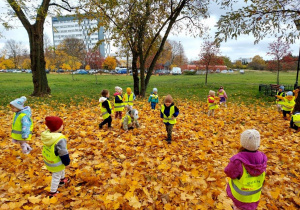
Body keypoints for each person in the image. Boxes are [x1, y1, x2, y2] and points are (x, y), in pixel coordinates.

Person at [224, 129, 267, 210]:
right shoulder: (263, 158)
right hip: (254, 196)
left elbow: (229, 172)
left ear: (243, 143)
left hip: (240, 197)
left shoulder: (238, 160)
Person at [42, 116, 70, 198]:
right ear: (58, 127)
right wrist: (67, 161)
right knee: (56, 176)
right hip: (56, 162)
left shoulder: (48, 135)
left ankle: (62, 180)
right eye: (61, 125)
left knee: (61, 169)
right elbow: (63, 152)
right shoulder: (60, 139)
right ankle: (53, 192)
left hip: (49, 159)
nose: (62, 126)